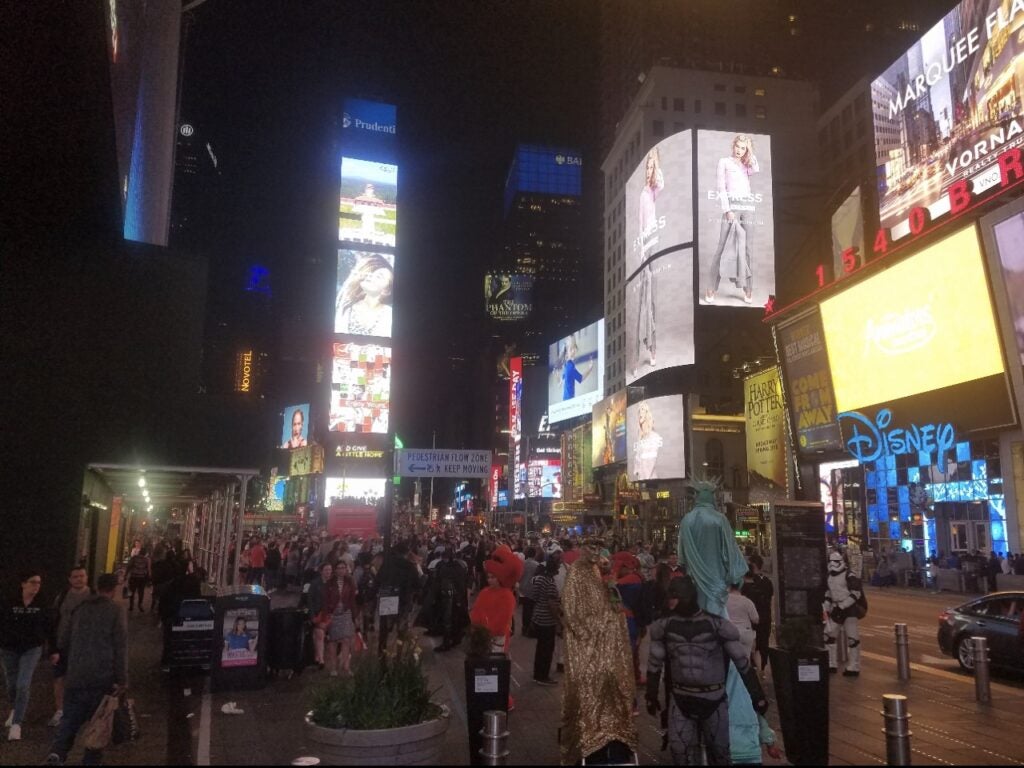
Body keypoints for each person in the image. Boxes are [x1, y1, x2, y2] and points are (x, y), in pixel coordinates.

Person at [646, 576, 768, 765]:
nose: (669, 601)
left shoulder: (717, 625)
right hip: (681, 698)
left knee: (720, 755)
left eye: (674, 596)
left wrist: (756, 695)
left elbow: (742, 662)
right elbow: (655, 662)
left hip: (713, 698)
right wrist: (651, 693)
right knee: (680, 753)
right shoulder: (663, 626)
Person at [560, 547, 638, 765]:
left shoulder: (609, 597)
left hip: (607, 678)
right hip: (592, 678)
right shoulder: (581, 586)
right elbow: (579, 622)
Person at [46, 573, 127, 766]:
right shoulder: (115, 610)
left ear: (96, 587)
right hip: (102, 677)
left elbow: (63, 640)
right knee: (98, 725)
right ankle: (90, 761)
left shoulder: (79, 608)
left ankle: (58, 753)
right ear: (114, 588)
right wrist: (122, 679)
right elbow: (120, 646)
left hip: (75, 675)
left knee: (69, 719)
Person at [704, 134, 760, 305]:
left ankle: (748, 288)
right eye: (738, 146)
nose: (739, 150)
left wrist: (750, 152)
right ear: (733, 145)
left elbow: (756, 168)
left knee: (748, 248)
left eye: (743, 148)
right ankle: (711, 287)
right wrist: (727, 209)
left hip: (748, 207)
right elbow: (721, 187)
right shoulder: (724, 162)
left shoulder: (746, 164)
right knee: (722, 246)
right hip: (732, 206)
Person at [1, 571, 51, 741]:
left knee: (23, 684)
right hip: (9, 648)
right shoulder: (10, 601)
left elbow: (48, 626)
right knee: (12, 684)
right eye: (33, 582)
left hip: (31, 649)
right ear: (23, 584)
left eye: (39, 583)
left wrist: (53, 649)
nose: (36, 586)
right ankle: (15, 708)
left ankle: (17, 724)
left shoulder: (42, 603)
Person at [49, 567, 95, 728]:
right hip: (63, 645)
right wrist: (53, 646)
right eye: (75, 577)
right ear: (69, 579)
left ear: (87, 577)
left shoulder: (93, 596)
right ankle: (60, 710)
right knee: (59, 678)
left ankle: (79, 710)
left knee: (82, 679)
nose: (79, 579)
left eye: (82, 576)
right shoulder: (62, 596)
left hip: (84, 646)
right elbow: (54, 620)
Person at [824, 550, 866, 676]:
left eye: (836, 561)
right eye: (831, 561)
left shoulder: (849, 575)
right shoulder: (830, 577)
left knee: (853, 639)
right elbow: (829, 594)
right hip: (837, 608)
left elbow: (856, 594)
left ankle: (854, 666)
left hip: (849, 609)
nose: (833, 564)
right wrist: (826, 607)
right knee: (828, 636)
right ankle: (831, 663)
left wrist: (842, 606)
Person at [335, 253, 394, 336]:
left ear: (386, 290)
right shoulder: (346, 308)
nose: (371, 276)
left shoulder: (390, 315)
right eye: (372, 273)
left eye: (379, 276)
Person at [529, 559, 561, 685]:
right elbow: (552, 604)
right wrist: (558, 621)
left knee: (540, 648)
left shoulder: (540, 579)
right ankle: (543, 676)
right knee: (547, 650)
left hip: (537, 616)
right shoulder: (550, 583)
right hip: (547, 621)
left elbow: (534, 596)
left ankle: (537, 674)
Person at [324, 562, 357, 676]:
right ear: (335, 570)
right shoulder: (330, 583)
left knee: (346, 640)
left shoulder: (350, 582)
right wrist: (328, 613)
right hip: (333, 613)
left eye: (343, 568)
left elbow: (352, 599)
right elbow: (326, 600)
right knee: (333, 641)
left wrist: (354, 615)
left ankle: (346, 666)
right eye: (338, 568)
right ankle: (333, 667)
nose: (341, 570)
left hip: (346, 612)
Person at [741, 556, 774, 672]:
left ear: (753, 565)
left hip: (752, 619)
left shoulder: (747, 584)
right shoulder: (767, 581)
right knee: (763, 643)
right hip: (765, 618)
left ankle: (753, 667)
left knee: (751, 644)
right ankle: (763, 668)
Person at [638, 146, 665, 258]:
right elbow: (640, 223)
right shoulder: (643, 194)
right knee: (648, 273)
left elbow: (660, 183)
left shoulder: (655, 190)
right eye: (648, 168)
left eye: (652, 168)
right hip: (647, 239)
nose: (649, 172)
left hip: (656, 236)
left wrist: (656, 163)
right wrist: (641, 250)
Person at [632, 263, 657, 378]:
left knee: (651, 315)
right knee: (638, 326)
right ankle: (635, 364)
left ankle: (653, 354)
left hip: (651, 251)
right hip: (641, 255)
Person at [309, 563, 334, 668]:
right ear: (321, 571)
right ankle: (321, 660)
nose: (328, 572)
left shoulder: (334, 584)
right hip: (318, 614)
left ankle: (317, 657)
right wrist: (313, 615)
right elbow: (310, 601)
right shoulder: (315, 584)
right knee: (319, 633)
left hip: (331, 614)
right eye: (326, 570)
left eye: (330, 570)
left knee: (318, 634)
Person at [631, 401, 664, 480]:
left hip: (651, 479)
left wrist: (644, 479)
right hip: (642, 480)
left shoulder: (654, 437)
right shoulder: (640, 439)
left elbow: (651, 461)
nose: (640, 413)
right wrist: (638, 472)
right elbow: (637, 459)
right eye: (639, 411)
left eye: (642, 409)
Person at [558, 334, 593, 402]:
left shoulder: (566, 365)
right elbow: (580, 378)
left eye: (574, 347)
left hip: (565, 399)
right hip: (569, 401)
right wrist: (590, 368)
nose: (574, 350)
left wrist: (561, 381)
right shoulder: (570, 367)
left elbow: (564, 374)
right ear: (566, 354)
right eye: (571, 349)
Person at [126, 547, 151, 612]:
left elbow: (129, 566)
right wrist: (149, 579)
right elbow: (148, 570)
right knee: (141, 592)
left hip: (133, 577)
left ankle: (131, 606)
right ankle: (140, 605)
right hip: (142, 578)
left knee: (132, 592)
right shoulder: (147, 560)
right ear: (145, 553)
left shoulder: (134, 558)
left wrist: (126, 575)